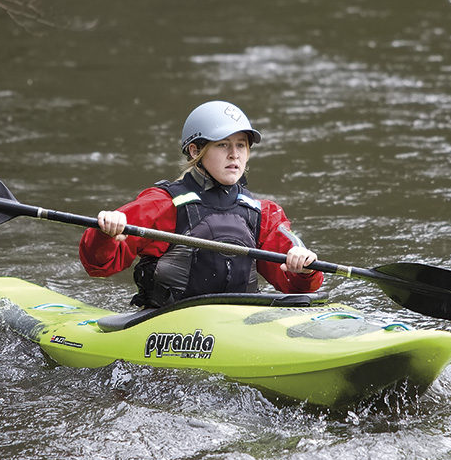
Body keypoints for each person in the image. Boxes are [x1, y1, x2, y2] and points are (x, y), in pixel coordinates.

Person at [79, 100, 323, 308]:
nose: (234, 154)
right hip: (168, 322)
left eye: (241, 145)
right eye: (222, 144)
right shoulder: (162, 204)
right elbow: (99, 265)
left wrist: (304, 268)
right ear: (195, 150)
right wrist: (105, 233)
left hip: (238, 323)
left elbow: (296, 286)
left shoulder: (263, 214)